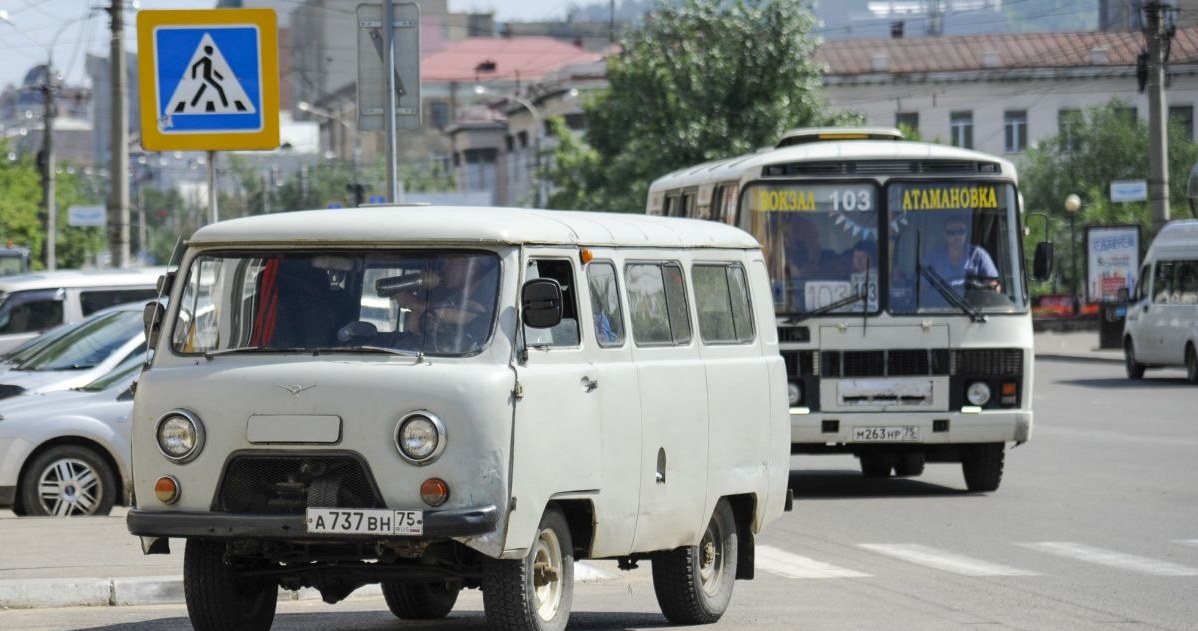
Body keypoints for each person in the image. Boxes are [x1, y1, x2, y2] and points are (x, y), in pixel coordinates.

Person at [924, 216, 1000, 292]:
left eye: (961, 232)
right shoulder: (933, 258)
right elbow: (923, 289)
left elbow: (994, 286)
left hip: (973, 303)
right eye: (951, 233)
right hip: (939, 303)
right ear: (944, 235)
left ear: (966, 233)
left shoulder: (979, 255)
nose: (957, 236)